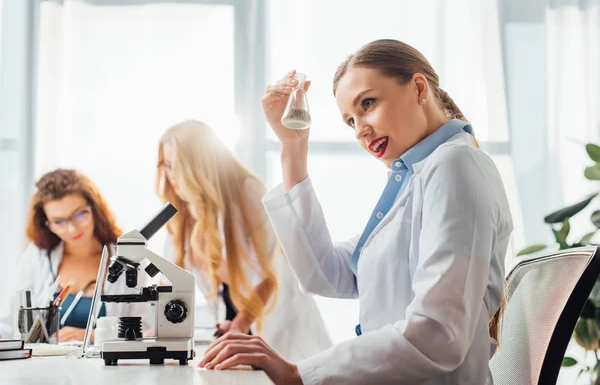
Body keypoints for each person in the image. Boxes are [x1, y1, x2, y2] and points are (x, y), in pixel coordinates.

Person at [198, 39, 514, 385]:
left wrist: (299, 373)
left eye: (368, 104)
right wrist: (293, 146)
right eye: (350, 121)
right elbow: (324, 273)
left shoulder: (455, 165)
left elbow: (440, 333)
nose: (361, 129)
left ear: (419, 88)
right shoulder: (418, 179)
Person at [156, 120, 331, 361]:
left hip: (276, 317)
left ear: (198, 165)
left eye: (175, 166)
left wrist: (241, 323)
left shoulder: (247, 192)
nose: (170, 176)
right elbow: (170, 278)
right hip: (231, 317)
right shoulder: (182, 211)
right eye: (165, 166)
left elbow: (272, 274)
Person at [0, 169, 147, 341]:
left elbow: (148, 330)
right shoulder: (37, 257)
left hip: (107, 367)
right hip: (46, 366)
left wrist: (92, 336)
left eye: (79, 214)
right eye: (59, 222)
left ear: (94, 209)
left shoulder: (129, 258)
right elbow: (8, 323)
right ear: (47, 224)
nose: (72, 228)